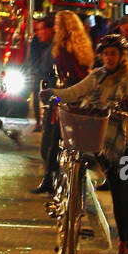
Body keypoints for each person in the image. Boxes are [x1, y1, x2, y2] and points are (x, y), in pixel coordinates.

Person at [44, 33, 128, 254]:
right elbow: (74, 92)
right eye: (105, 54)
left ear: (123, 56)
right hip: (108, 149)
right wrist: (53, 93)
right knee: (117, 197)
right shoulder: (97, 77)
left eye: (113, 54)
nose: (109, 58)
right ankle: (123, 243)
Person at [34, 10, 94, 195]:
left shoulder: (64, 50)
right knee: (60, 142)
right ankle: (53, 179)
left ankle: (52, 180)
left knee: (53, 142)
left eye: (59, 25)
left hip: (64, 98)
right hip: (72, 98)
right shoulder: (79, 47)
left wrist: (55, 94)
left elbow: (66, 76)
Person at [29, 14, 56, 132]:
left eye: (41, 29)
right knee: (36, 96)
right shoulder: (36, 41)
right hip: (39, 73)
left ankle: (47, 121)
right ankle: (39, 122)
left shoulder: (54, 47)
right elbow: (33, 58)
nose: (39, 33)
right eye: (37, 30)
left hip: (47, 76)